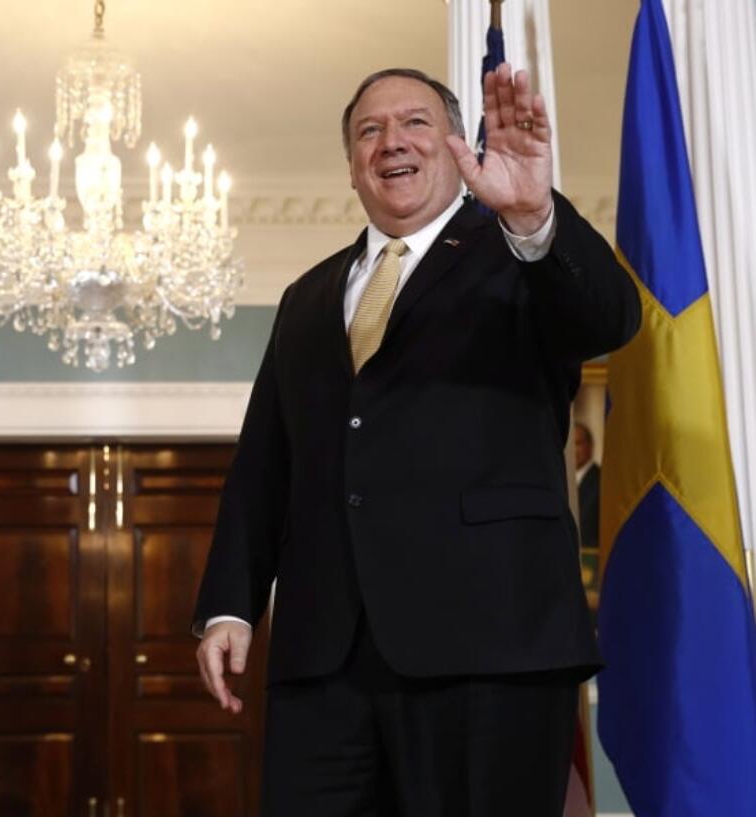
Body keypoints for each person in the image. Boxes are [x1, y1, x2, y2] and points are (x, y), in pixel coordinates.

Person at [193, 64, 640, 816]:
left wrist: (533, 215)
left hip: (489, 647)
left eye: (414, 123)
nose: (390, 142)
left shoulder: (518, 254)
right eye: (369, 130)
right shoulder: (308, 296)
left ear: (459, 143)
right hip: (324, 661)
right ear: (350, 165)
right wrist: (229, 604)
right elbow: (265, 466)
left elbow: (610, 318)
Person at [575, 421, 601, 550]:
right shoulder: (561, 481)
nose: (573, 450)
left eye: (578, 443)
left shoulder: (600, 481)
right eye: (570, 445)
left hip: (592, 561)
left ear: (590, 446)